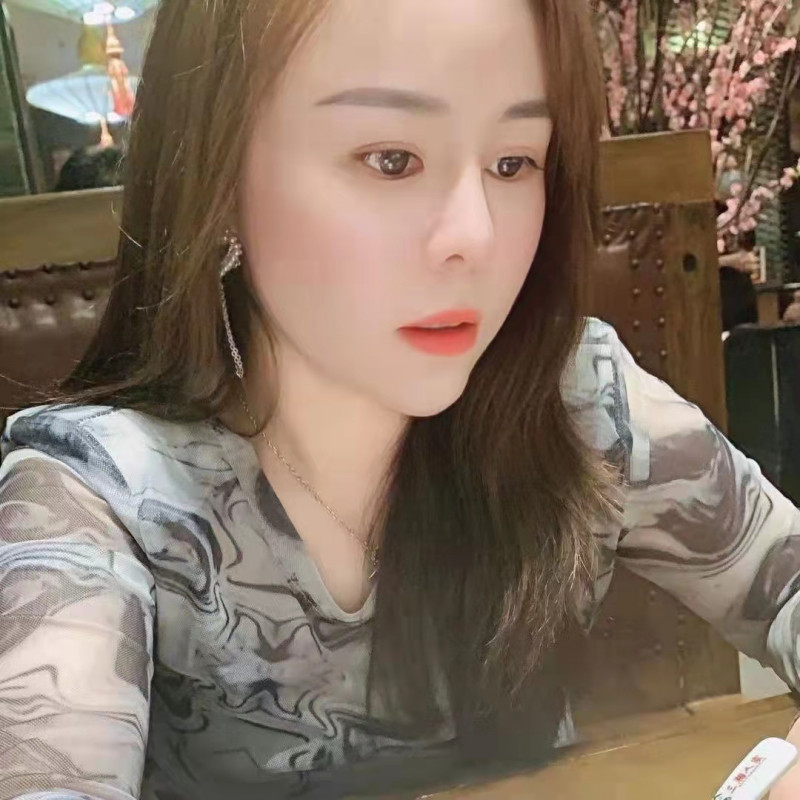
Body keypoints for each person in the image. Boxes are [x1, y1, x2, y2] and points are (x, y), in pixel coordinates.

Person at [1, 1, 800, 798]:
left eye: (514, 163)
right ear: (217, 178)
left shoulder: (575, 402)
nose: (476, 237)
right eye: (391, 160)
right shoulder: (101, 498)